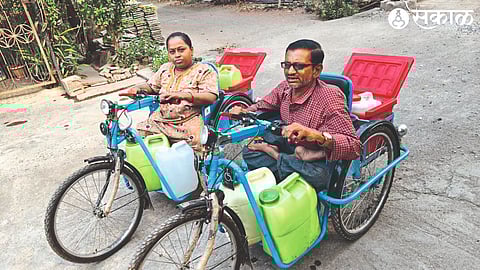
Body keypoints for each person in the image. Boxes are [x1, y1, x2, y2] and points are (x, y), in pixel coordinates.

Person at [231, 39, 361, 191]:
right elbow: (264, 104)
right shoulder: (285, 88)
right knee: (249, 151)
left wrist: (316, 135)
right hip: (292, 146)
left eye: (299, 66)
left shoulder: (330, 97)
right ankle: (285, 165)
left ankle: (276, 156)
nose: (290, 72)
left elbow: (354, 146)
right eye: (287, 65)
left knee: (319, 177)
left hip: (317, 154)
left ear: (316, 70)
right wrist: (245, 111)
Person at [121, 32, 218, 151]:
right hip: (160, 121)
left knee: (195, 152)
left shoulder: (204, 71)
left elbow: (211, 96)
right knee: (137, 140)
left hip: (187, 123)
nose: (177, 55)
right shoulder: (165, 69)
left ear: (191, 50)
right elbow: (151, 86)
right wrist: (137, 89)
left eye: (181, 50)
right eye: (172, 52)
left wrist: (182, 95)